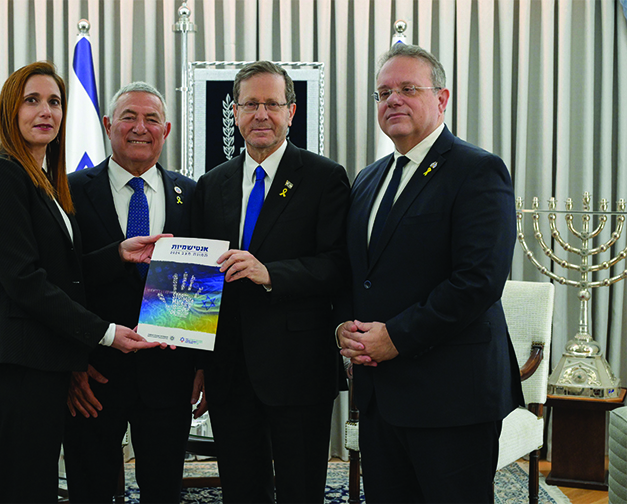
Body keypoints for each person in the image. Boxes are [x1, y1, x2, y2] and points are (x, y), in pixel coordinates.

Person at [0, 61, 165, 503]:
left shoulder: (43, 182)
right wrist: (107, 333)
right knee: (21, 489)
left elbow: (63, 274)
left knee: (34, 485)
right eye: (32, 100)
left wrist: (117, 253)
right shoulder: (3, 175)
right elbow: (24, 280)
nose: (46, 112)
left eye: (55, 102)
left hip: (42, 365)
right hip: (17, 368)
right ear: (9, 110)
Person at [337, 44, 524, 503]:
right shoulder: (368, 178)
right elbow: (357, 272)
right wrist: (343, 325)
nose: (392, 100)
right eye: (383, 93)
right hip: (382, 395)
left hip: (452, 397)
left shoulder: (477, 170)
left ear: (442, 99)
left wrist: (396, 336)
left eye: (407, 89)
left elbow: (478, 281)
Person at [191, 61, 350, 503]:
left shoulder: (324, 177)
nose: (261, 114)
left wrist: (270, 273)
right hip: (229, 369)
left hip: (298, 366)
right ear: (235, 113)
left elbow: (339, 266)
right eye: (250, 104)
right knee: (241, 488)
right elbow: (201, 280)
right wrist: (198, 362)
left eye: (272, 104)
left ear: (291, 112)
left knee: (301, 489)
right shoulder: (212, 184)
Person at [63, 82, 202, 504]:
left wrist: (200, 365)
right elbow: (59, 282)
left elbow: (200, 286)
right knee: (92, 490)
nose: (140, 127)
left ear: (167, 129)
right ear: (107, 126)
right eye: (128, 117)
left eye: (151, 119)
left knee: (163, 491)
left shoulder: (193, 195)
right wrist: (71, 365)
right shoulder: (68, 191)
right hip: (94, 376)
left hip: (169, 375)